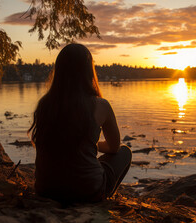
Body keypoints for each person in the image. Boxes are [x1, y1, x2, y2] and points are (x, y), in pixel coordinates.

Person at [29, 43, 132, 204]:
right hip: (87, 193)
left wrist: (86, 143)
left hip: (45, 190)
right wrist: (92, 144)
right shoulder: (101, 106)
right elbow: (114, 147)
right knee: (125, 152)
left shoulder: (45, 104)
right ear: (88, 71)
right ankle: (103, 197)